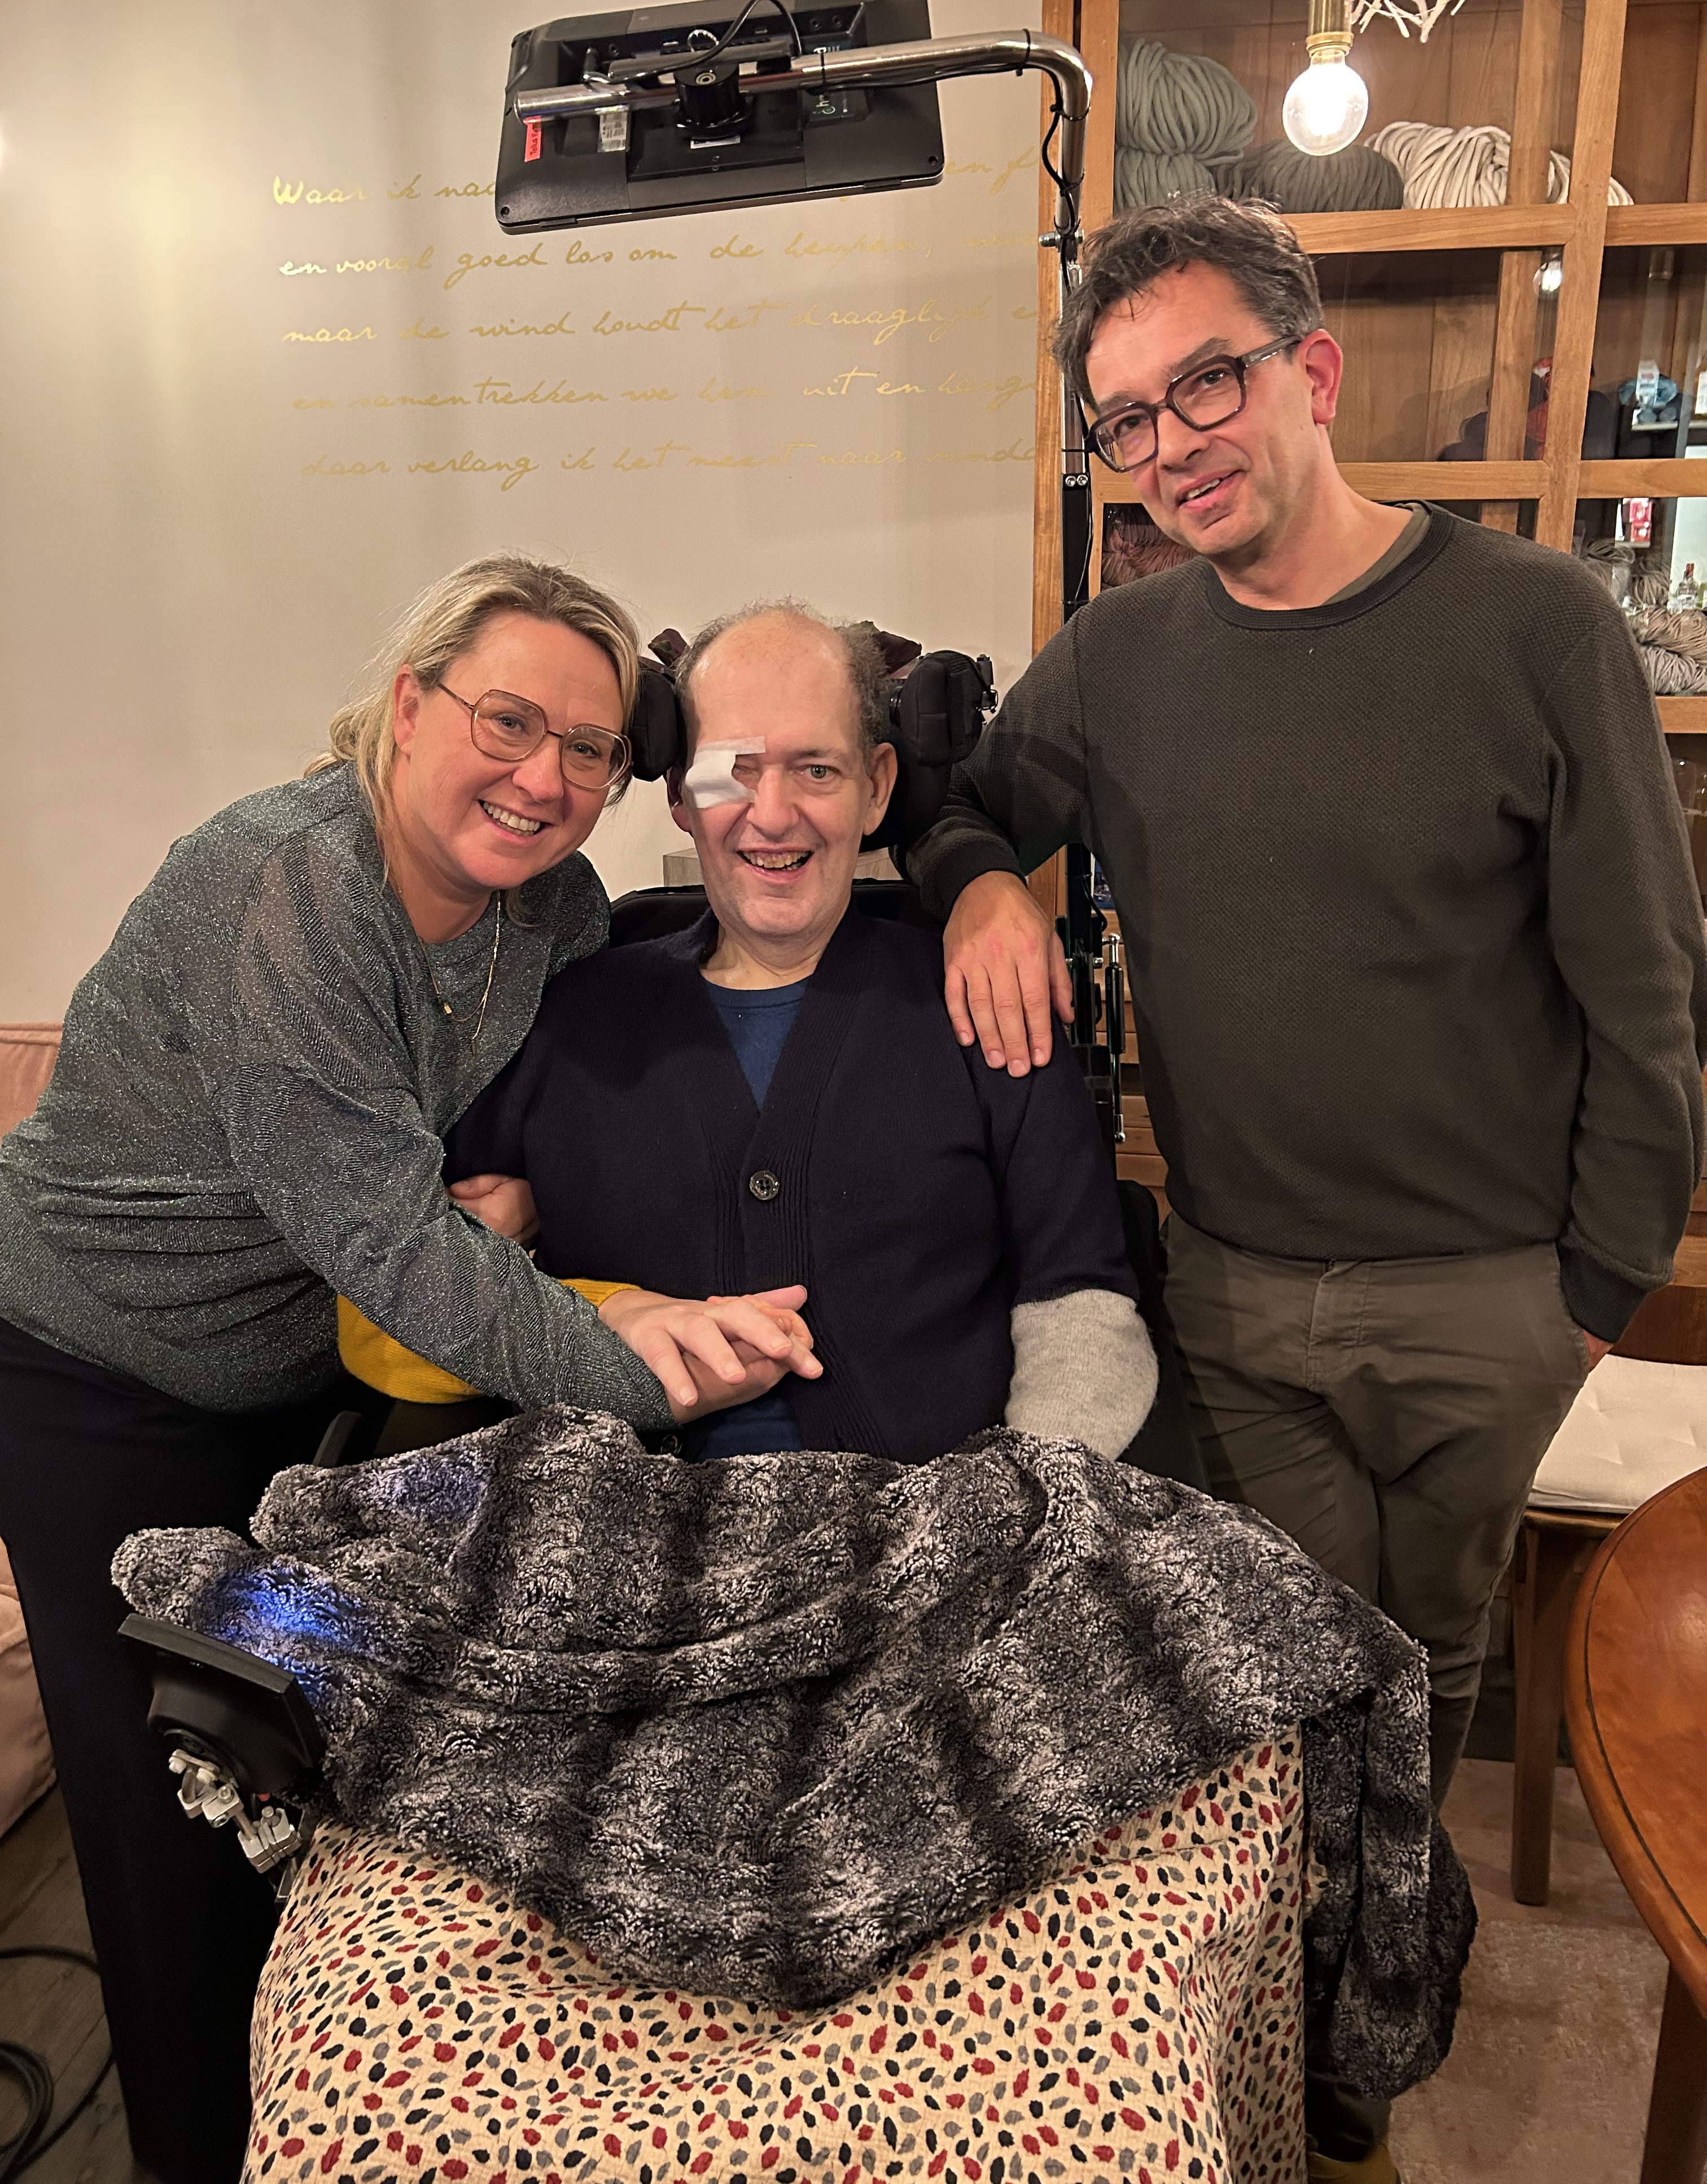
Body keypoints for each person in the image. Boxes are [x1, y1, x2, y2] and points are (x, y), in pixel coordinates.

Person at [905, 198, 1707, 2183]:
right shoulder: (1116, 657)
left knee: (1422, 1658)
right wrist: (987, 885)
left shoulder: (1538, 627)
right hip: (1241, 1289)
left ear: (1313, 373)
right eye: (1127, 417)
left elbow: (1647, 989)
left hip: (1492, 1295)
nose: (1170, 442)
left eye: (1207, 383)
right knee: (1292, 1668)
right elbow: (962, 802)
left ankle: (1369, 2013)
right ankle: (1315, 2007)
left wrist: (1593, 1288)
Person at [0, 554, 815, 2184]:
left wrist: (926, 901)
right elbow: (394, 1245)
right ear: (408, 706)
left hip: (297, 1382)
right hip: (96, 1380)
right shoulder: (283, 887)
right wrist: (649, 1374)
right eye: (508, 721)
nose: (545, 778)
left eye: (589, 748)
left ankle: (316, 2125)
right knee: (178, 1810)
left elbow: (643, 958)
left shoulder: (547, 908)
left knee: (307, 1781)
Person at [437, 600, 1160, 1464]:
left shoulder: (986, 1004)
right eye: (729, 772)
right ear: (681, 793)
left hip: (942, 1519)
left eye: (816, 770)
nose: (773, 815)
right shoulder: (563, 1021)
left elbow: (1082, 1305)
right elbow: (426, 1290)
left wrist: (1012, 1505)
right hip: (624, 1524)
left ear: (877, 787)